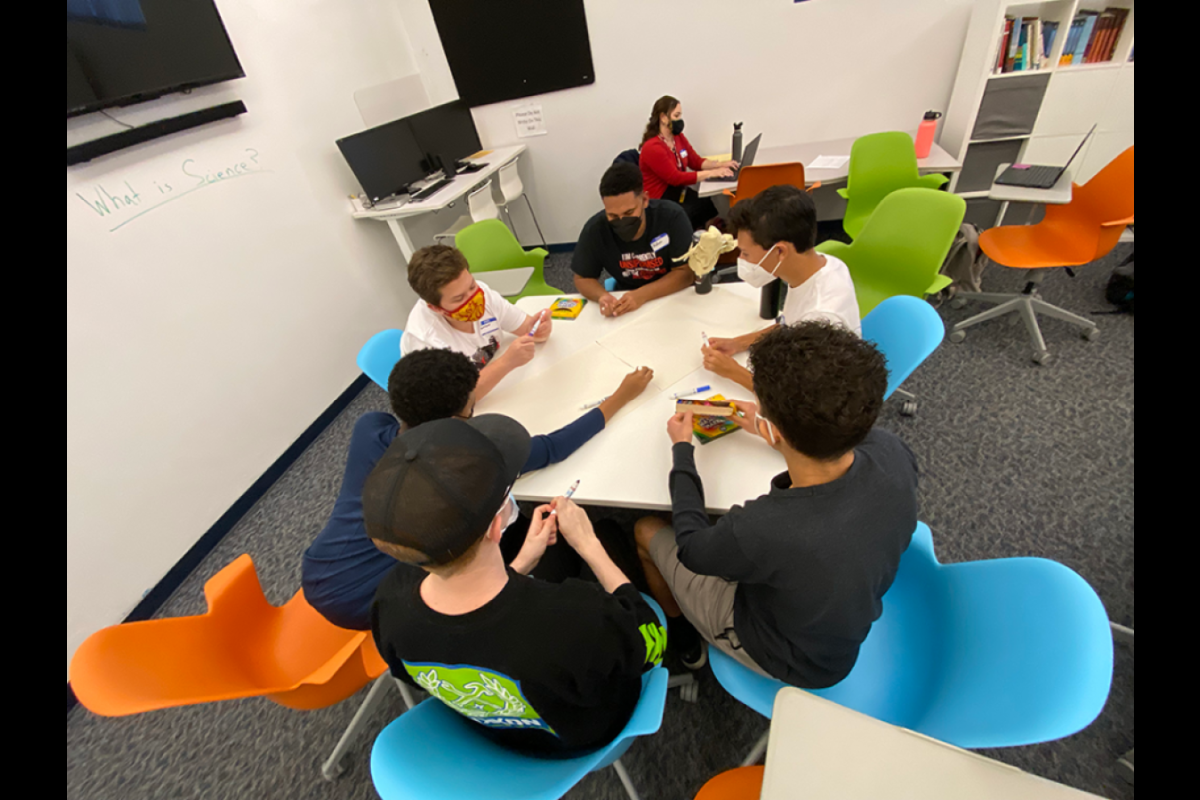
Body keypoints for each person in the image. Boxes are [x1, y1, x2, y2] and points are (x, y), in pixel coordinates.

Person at [634, 322, 918, 687]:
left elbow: (692, 549)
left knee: (645, 529)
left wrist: (682, 450)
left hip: (793, 657)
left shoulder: (763, 527)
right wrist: (768, 428)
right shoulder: (891, 450)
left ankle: (686, 642)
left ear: (779, 428)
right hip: (839, 617)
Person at [368, 415, 667, 757]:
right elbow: (652, 643)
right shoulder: (574, 615)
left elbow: (448, 651)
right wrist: (588, 543)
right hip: (583, 736)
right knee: (612, 535)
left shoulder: (388, 603)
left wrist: (521, 563)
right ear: (498, 525)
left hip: (496, 737)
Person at [302, 348, 654, 631]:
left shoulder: (369, 427)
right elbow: (551, 447)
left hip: (319, 573)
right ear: (457, 420)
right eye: (472, 405)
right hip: (384, 602)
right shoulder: (471, 457)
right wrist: (620, 396)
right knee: (546, 538)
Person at [702, 185, 862, 393]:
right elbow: (792, 325)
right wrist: (739, 343)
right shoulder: (825, 265)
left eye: (746, 254)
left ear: (779, 251)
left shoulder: (821, 317)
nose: (741, 261)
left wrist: (733, 372)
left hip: (824, 396)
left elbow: (796, 398)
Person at [401, 244, 551, 400]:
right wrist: (507, 362)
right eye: (459, 298)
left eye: (472, 286)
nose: (473, 298)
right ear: (436, 308)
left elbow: (527, 328)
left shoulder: (483, 293)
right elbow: (458, 400)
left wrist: (540, 329)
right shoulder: (424, 340)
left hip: (498, 391)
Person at [571, 162, 695, 318]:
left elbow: (685, 273)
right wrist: (602, 296)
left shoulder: (672, 217)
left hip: (673, 295)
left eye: (629, 212)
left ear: (644, 200)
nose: (622, 220)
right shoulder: (596, 229)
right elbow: (583, 277)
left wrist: (642, 295)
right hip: (626, 302)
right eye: (613, 216)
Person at [638, 95, 739, 230]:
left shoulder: (677, 138)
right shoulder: (652, 147)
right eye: (676, 115)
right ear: (663, 117)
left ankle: (712, 236)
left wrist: (720, 165)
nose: (680, 120)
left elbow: (695, 161)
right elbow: (675, 178)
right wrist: (712, 173)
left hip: (677, 192)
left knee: (704, 201)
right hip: (660, 199)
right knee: (689, 210)